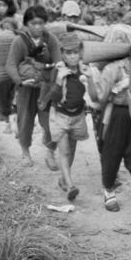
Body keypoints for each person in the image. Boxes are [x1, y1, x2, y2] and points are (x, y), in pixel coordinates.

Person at [89, 36, 131, 227]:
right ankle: (108, 192)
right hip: (117, 115)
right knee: (112, 154)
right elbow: (101, 96)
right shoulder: (116, 68)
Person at [6, 5, 61, 168]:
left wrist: (58, 78)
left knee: (50, 122)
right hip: (26, 88)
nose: (37, 27)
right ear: (26, 24)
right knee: (25, 120)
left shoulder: (51, 39)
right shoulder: (19, 41)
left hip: (47, 88)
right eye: (33, 23)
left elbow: (58, 62)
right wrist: (20, 81)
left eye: (41, 23)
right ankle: (25, 153)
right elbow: (10, 65)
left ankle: (50, 153)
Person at [48, 34, 93, 201]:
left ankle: (63, 179)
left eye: (75, 52)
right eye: (69, 53)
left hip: (77, 115)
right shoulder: (58, 70)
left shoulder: (84, 69)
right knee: (65, 151)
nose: (73, 56)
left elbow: (91, 92)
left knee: (72, 150)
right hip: (60, 114)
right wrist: (60, 81)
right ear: (63, 54)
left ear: (80, 53)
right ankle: (70, 185)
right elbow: (53, 97)